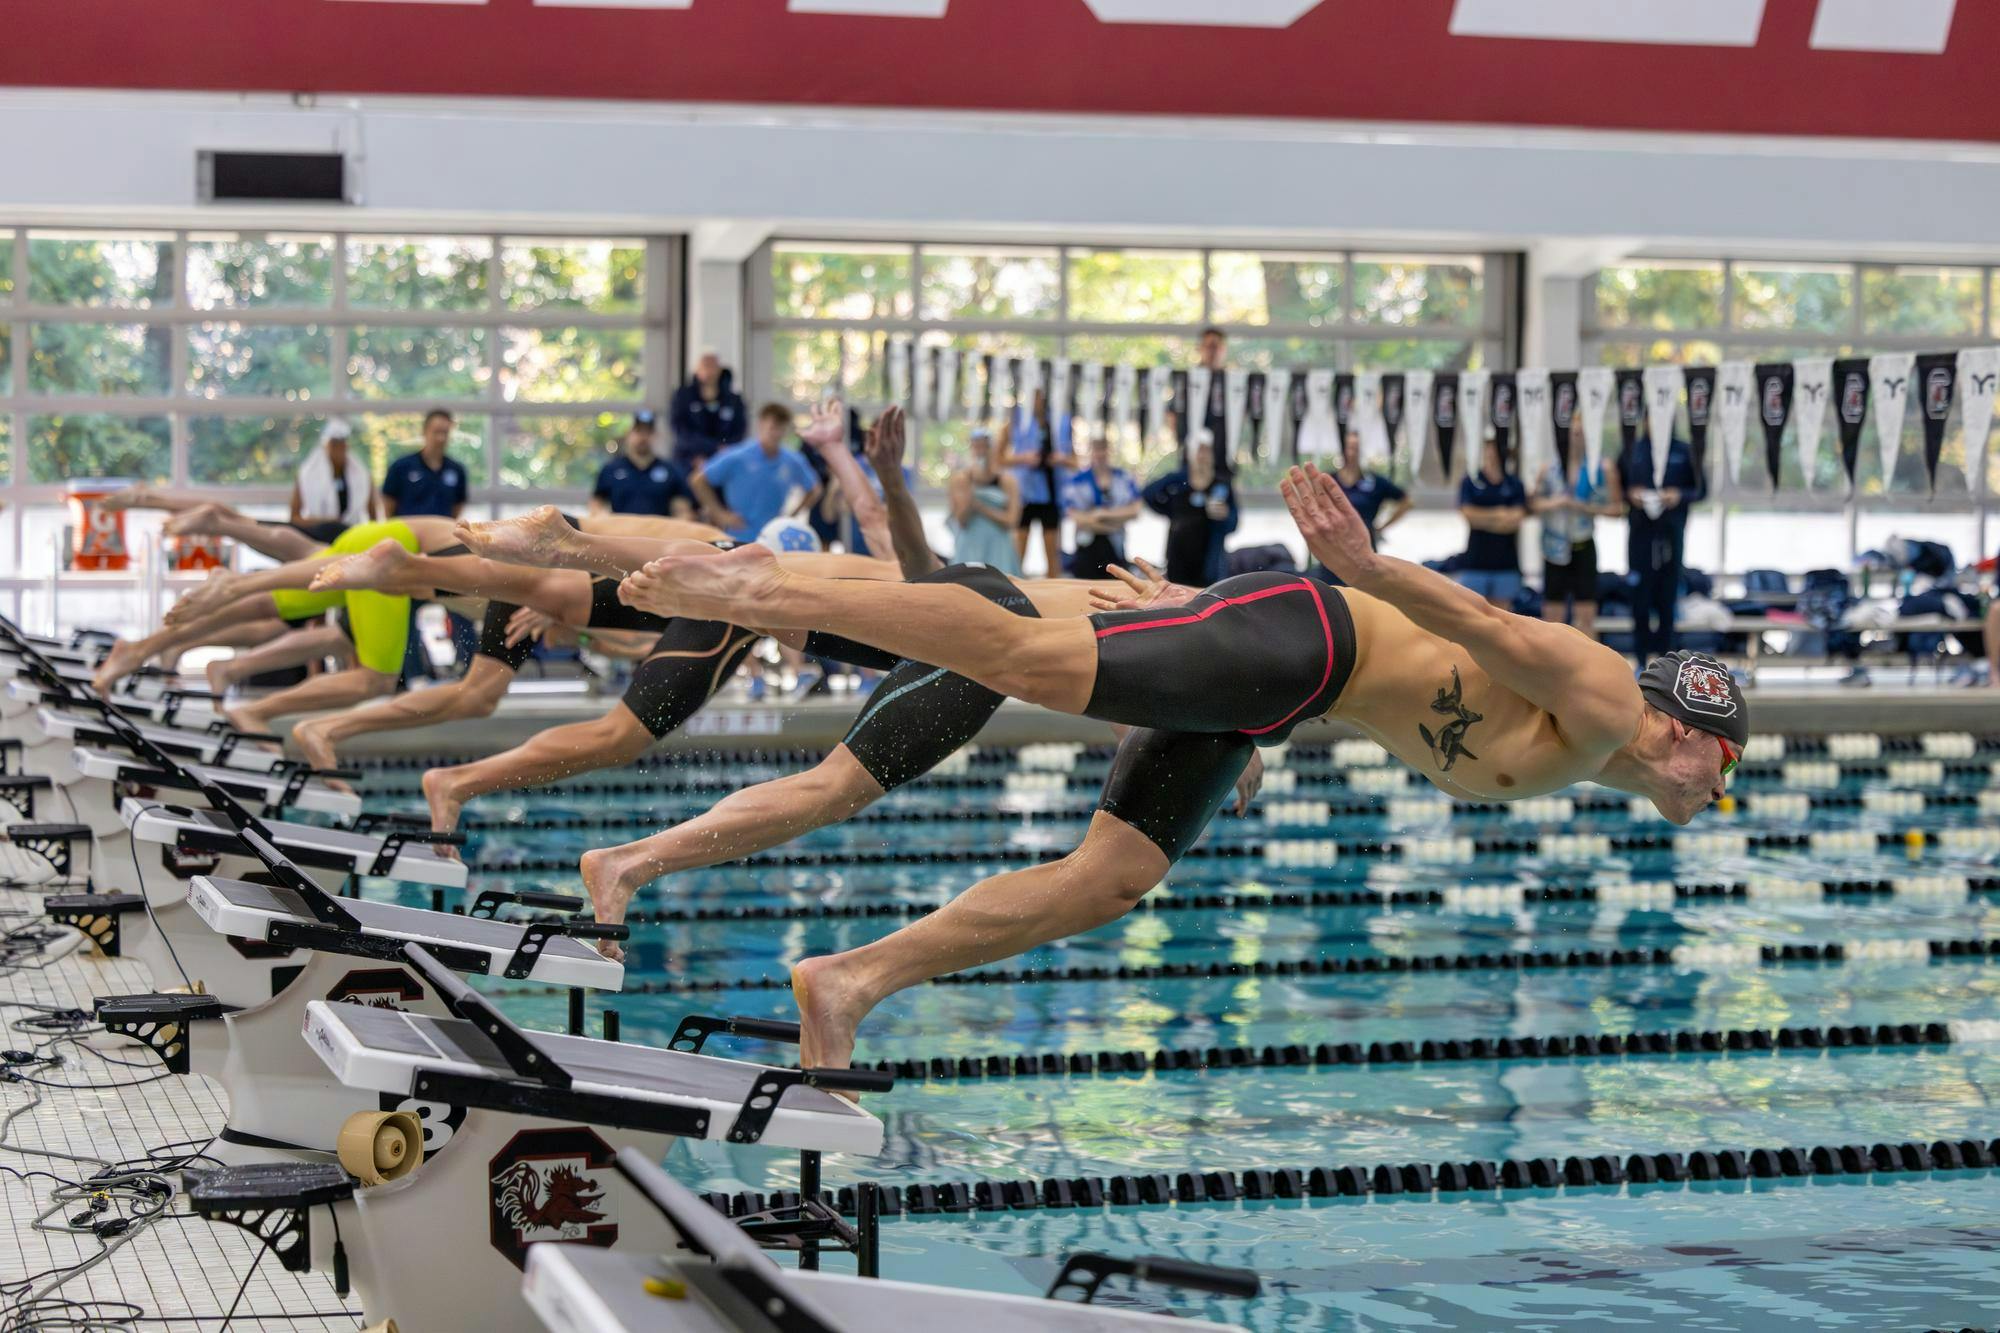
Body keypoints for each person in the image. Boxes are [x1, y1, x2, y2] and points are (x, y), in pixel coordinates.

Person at [615, 465, 1746, 1073]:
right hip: (1299, 633)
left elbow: (1407, 695)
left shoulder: (1589, 759)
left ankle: (848, 980)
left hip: (1281, 685)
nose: (1706, 801)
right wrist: (1362, 562)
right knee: (1019, 655)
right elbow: (1473, 621)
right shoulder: (1600, 701)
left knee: (1107, 880)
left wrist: (1249, 716)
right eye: (1720, 777)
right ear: (1694, 737)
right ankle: (758, 590)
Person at [1531, 416, 1623, 638]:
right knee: (1553, 615)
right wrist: (1557, 502)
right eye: (1573, 433)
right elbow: (1532, 504)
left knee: (1586, 614)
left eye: (1582, 434)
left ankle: (1586, 666)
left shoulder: (1601, 468)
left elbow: (1617, 508)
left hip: (1582, 544)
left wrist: (1585, 508)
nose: (1577, 438)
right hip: (1554, 548)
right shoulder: (1549, 468)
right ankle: (1552, 666)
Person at [1621, 428, 1707, 665]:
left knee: (1667, 603)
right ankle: (1639, 662)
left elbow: (1701, 490)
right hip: (1640, 537)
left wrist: (1678, 495)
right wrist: (1631, 495)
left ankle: (1665, 666)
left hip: (1671, 535)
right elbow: (1616, 489)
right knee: (1639, 603)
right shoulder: (1633, 449)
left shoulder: (1684, 450)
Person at [691, 405, 822, 542]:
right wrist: (719, 514)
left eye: (781, 429)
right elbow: (698, 480)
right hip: (739, 536)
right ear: (761, 425)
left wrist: (792, 516)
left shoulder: (792, 460)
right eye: (773, 427)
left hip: (773, 538)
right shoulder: (738, 455)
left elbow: (815, 489)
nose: (776, 434)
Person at [1310, 426, 1411, 584]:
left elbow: (1406, 501)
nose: (1352, 452)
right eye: (1349, 447)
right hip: (1333, 550)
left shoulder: (1375, 482)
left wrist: (1382, 527)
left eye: (1356, 448)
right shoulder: (1328, 480)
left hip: (1364, 548)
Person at [1142, 434, 1238, 586]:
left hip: (1209, 560)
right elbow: (1148, 493)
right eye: (1200, 451)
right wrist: (1169, 511)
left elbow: (1233, 524)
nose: (1203, 456)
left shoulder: (1221, 484)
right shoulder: (1179, 480)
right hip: (1178, 556)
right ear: (1191, 454)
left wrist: (1225, 516)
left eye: (1207, 451)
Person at [1004, 388, 1075, 577]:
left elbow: (1075, 462)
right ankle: (1014, 590)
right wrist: (1023, 459)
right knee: (1018, 550)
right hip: (1024, 496)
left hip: (1051, 495)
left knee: (1053, 553)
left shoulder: (1060, 421)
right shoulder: (1016, 421)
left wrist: (1060, 459)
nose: (1037, 400)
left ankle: (1054, 594)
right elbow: (999, 459)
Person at [1456, 435, 1527, 609]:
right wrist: (1499, 514)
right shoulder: (1471, 481)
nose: (1491, 454)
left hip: (1506, 564)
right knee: (1472, 614)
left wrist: (1484, 519)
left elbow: (1515, 520)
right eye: (1488, 449)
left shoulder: (1514, 484)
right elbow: (1469, 517)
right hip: (1475, 563)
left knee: (1502, 617)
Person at [1063, 435, 1143, 581]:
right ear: (1090, 452)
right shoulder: (1078, 480)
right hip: (1087, 544)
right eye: (1096, 450)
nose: (1100, 454)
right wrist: (1113, 523)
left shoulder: (1123, 477)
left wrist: (1102, 514)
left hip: (1116, 545)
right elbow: (1074, 516)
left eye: (1103, 449)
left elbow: (1135, 510)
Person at [591, 410, 693, 518]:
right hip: (620, 532)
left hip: (658, 532)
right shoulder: (611, 469)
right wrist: (604, 520)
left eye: (648, 432)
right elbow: (596, 504)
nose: (643, 437)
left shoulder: (671, 470)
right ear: (628, 434)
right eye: (638, 431)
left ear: (655, 436)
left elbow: (683, 511)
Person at [947, 427, 1022, 573]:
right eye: (977, 446)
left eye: (985, 447)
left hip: (999, 547)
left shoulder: (1007, 481)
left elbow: (1012, 521)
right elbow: (960, 519)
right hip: (970, 546)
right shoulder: (962, 480)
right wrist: (971, 493)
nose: (981, 451)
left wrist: (981, 507)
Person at [292, 418, 377, 543]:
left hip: (352, 537)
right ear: (325, 446)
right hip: (319, 538)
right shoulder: (307, 476)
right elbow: (295, 518)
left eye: (342, 444)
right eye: (334, 444)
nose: (339, 449)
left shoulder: (362, 476)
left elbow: (372, 517)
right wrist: (327, 522)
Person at [382, 409, 469, 519]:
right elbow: (388, 503)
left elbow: (457, 506)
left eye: (445, 433)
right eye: (436, 432)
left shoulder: (457, 470)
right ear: (424, 431)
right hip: (408, 531)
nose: (440, 438)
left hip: (441, 532)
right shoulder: (401, 467)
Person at [669, 351, 749, 469]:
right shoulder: (683, 396)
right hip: (689, 459)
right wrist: (711, 448)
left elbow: (740, 431)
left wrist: (721, 451)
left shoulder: (734, 400)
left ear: (720, 369)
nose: (709, 372)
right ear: (697, 370)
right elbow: (679, 429)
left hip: (725, 460)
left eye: (713, 366)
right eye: (705, 366)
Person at [1170, 326, 1232, 474]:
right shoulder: (1187, 380)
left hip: (1221, 459)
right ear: (1200, 348)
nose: (1212, 351)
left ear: (1223, 349)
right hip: (1190, 459)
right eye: (1208, 346)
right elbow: (1172, 414)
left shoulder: (1231, 382)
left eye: (1216, 346)